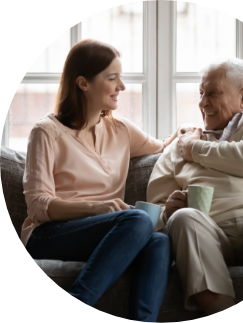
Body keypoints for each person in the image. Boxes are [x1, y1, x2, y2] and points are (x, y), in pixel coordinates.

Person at [21, 39, 192, 323]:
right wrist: (97, 208)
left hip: (107, 231)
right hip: (50, 235)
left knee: (159, 241)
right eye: (112, 78)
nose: (121, 87)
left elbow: (162, 146)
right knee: (138, 220)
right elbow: (38, 206)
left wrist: (186, 135)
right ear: (83, 83)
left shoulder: (121, 130)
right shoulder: (46, 132)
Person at [146, 58, 243, 316]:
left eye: (213, 93)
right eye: (201, 93)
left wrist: (194, 149)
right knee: (185, 217)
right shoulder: (179, 147)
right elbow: (152, 210)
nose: (202, 103)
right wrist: (167, 212)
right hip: (210, 235)